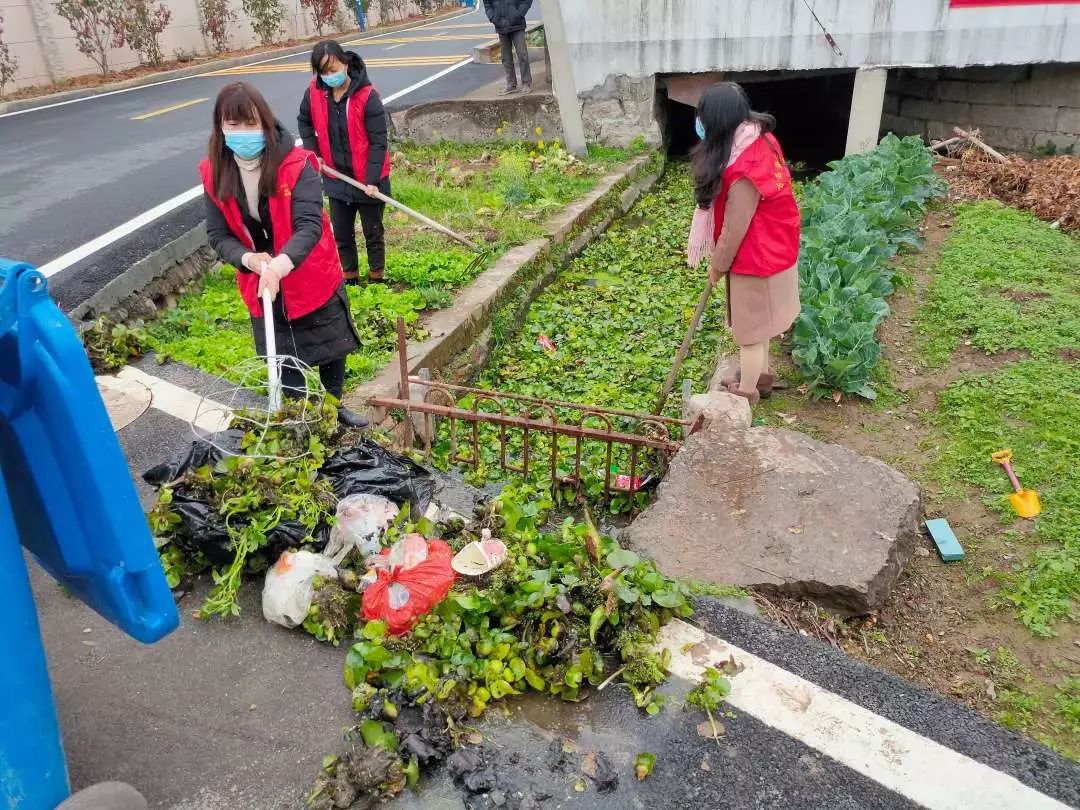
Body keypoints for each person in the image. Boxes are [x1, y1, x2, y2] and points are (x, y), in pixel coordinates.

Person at [200, 81, 368, 429]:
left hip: (308, 271)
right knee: (284, 356)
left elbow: (309, 225)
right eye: (233, 125)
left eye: (250, 123)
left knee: (330, 347)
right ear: (220, 127)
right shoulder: (214, 172)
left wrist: (279, 265)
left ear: (265, 121)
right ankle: (302, 418)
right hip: (260, 280)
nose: (242, 132)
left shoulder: (297, 163)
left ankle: (333, 408)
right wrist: (249, 260)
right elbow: (218, 234)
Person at [688, 82, 801, 404]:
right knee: (761, 324)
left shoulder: (744, 171)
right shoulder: (759, 139)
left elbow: (734, 230)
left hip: (758, 257)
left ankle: (747, 391)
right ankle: (761, 377)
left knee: (749, 334)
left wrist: (717, 266)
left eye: (704, 117)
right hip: (775, 245)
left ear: (717, 121)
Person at [298, 40, 390, 284]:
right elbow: (304, 122)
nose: (330, 75)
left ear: (346, 63)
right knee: (342, 234)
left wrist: (372, 181)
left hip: (368, 180)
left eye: (334, 68)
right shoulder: (315, 93)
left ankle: (376, 279)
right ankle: (350, 280)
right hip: (335, 177)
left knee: (373, 232)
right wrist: (314, 152)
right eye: (324, 71)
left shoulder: (367, 96)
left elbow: (379, 142)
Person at [485, 0, 533, 95]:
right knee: (506, 57)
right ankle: (511, 85)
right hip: (500, 25)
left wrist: (519, 14)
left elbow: (526, 1)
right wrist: (493, 17)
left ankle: (526, 83)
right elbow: (487, 4)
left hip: (517, 24)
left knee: (522, 54)